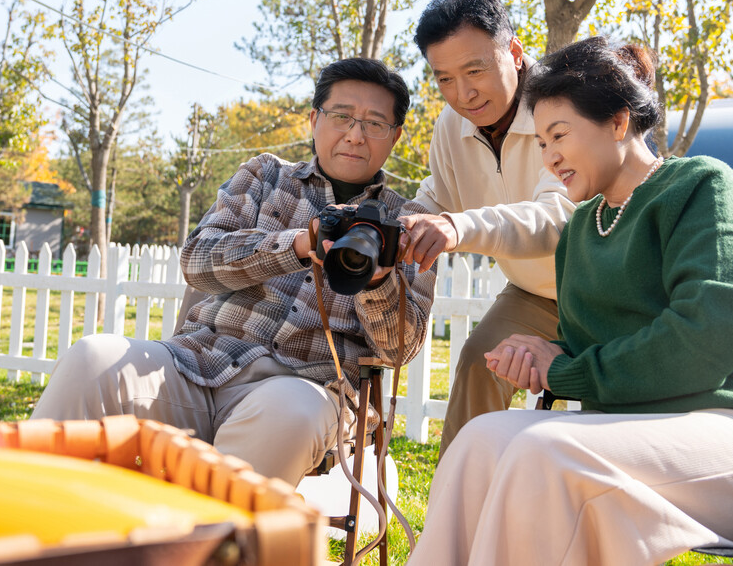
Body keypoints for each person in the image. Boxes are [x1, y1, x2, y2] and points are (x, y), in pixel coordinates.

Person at [407, 36, 733, 565]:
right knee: (481, 441)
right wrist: (539, 358)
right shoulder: (581, 234)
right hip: (651, 438)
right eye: (543, 142)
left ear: (618, 122)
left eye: (560, 136)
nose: (550, 157)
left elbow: (713, 335)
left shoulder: (701, 187)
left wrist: (566, 372)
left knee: (542, 451)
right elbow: (579, 352)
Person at [31, 58, 437, 487]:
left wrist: (377, 280)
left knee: (289, 413)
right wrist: (299, 244)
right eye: (342, 116)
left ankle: (202, 548)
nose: (355, 134)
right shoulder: (265, 176)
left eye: (375, 123)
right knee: (92, 357)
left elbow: (400, 350)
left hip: (308, 386)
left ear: (395, 136)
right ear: (314, 118)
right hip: (199, 365)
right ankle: (25, 525)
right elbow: (196, 261)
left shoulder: (408, 222)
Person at [400, 0, 575, 455]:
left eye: (475, 70)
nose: (464, 93)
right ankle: (454, 517)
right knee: (480, 361)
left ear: (514, 53)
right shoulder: (449, 127)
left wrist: (459, 228)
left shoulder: (562, 109)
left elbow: (557, 217)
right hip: (534, 294)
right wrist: (387, 224)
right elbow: (435, 199)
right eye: (445, 80)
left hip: (606, 288)